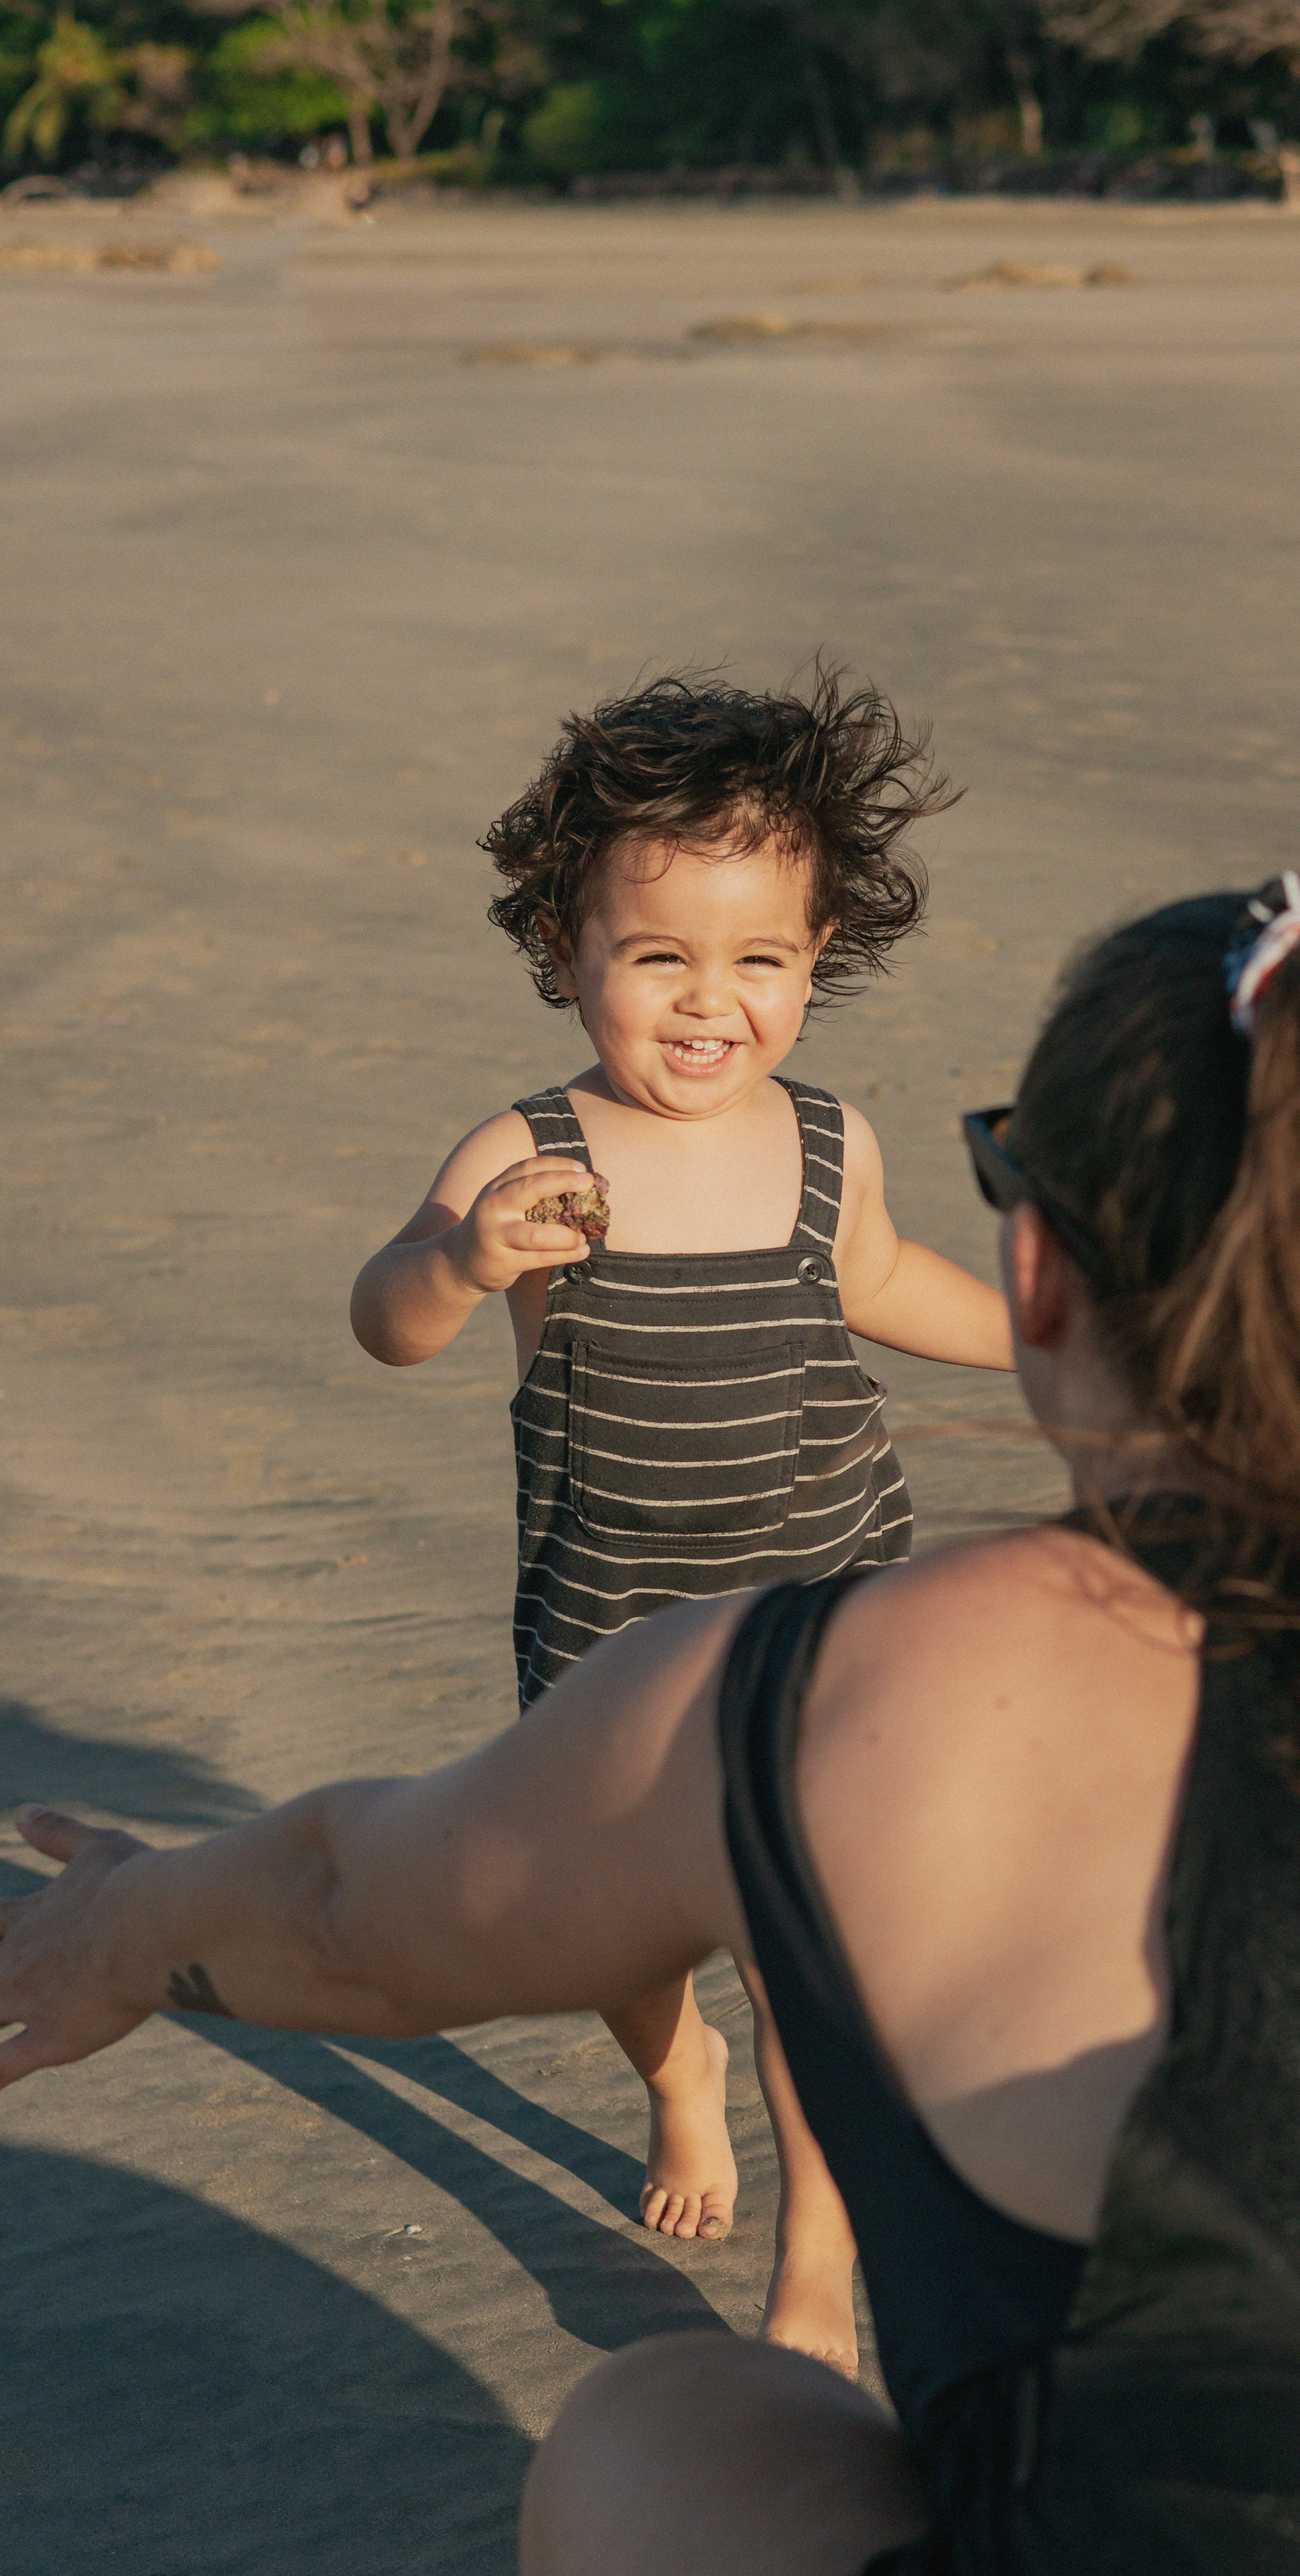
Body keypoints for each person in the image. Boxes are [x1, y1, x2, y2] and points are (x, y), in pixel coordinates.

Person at [0, 873, 1300, 2576]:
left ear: (1036, 1271)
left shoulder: (817, 1697)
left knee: (664, 2429)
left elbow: (351, 1904)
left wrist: (128, 1923)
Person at [347, 667, 1011, 2375]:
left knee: (809, 1956)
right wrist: (464, 1256)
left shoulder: (822, 1140)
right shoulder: (530, 1150)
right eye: (658, 957)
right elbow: (386, 1319)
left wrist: (1046, 1325)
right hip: (614, 1637)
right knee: (631, 1938)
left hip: (819, 1617)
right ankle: (672, 2076)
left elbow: (879, 1283)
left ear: (816, 951)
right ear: (565, 949)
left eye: (758, 960)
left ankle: (817, 2266)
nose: (710, 1003)